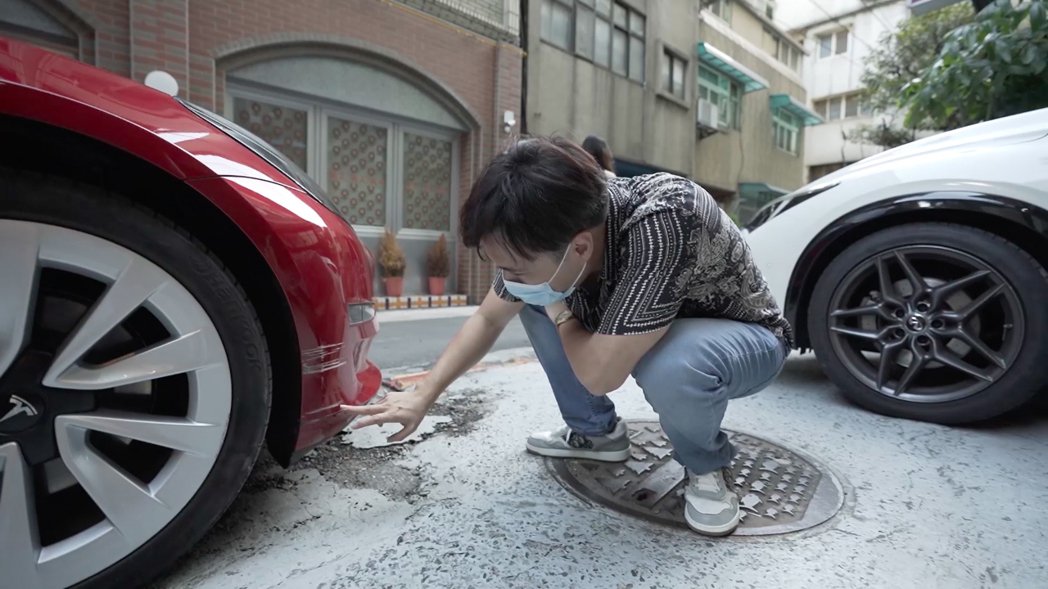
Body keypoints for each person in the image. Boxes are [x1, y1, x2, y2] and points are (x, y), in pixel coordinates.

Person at [345, 137, 791, 537]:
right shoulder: (554, 229)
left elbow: (601, 375)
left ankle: (705, 465)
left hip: (745, 340)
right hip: (650, 327)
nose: (506, 280)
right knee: (539, 297)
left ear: (579, 247)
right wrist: (424, 395)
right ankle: (595, 434)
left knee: (670, 364)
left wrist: (557, 308)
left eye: (513, 269)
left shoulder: (664, 221)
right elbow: (487, 318)